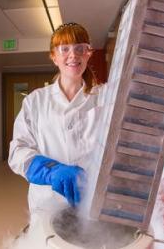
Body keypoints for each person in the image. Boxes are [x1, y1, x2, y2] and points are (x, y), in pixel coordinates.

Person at [8, 22, 107, 215]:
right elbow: (18, 152)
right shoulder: (35, 101)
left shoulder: (105, 98)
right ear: (54, 57)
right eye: (65, 49)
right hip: (47, 203)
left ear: (89, 53)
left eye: (80, 48)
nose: (73, 55)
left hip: (92, 200)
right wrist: (51, 171)